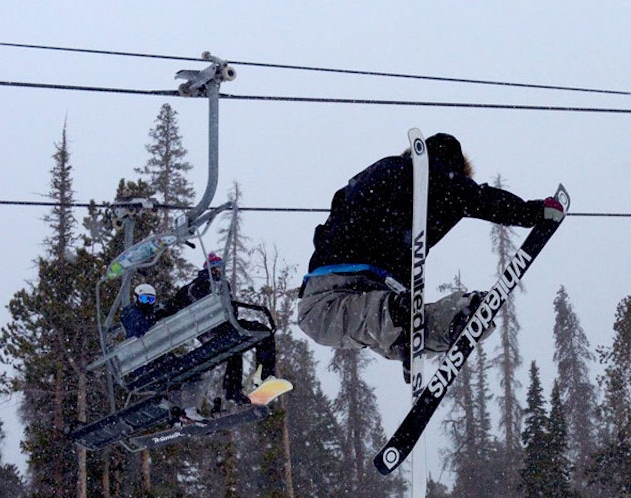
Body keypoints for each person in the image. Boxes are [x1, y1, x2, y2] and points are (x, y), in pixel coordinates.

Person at [297, 132, 564, 373]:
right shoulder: (440, 184)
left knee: (321, 318)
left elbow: (338, 203)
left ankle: (410, 320)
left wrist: (327, 246)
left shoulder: (387, 169)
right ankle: (455, 317)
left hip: (340, 272)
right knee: (397, 325)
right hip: (378, 282)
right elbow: (482, 199)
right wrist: (533, 211)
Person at [170, 253, 282, 411]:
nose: (219, 272)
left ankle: (260, 378)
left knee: (261, 334)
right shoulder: (196, 286)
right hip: (211, 328)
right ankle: (234, 389)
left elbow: (230, 308)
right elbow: (175, 304)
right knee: (235, 344)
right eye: (215, 269)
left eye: (220, 269)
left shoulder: (223, 284)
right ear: (209, 269)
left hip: (226, 325)